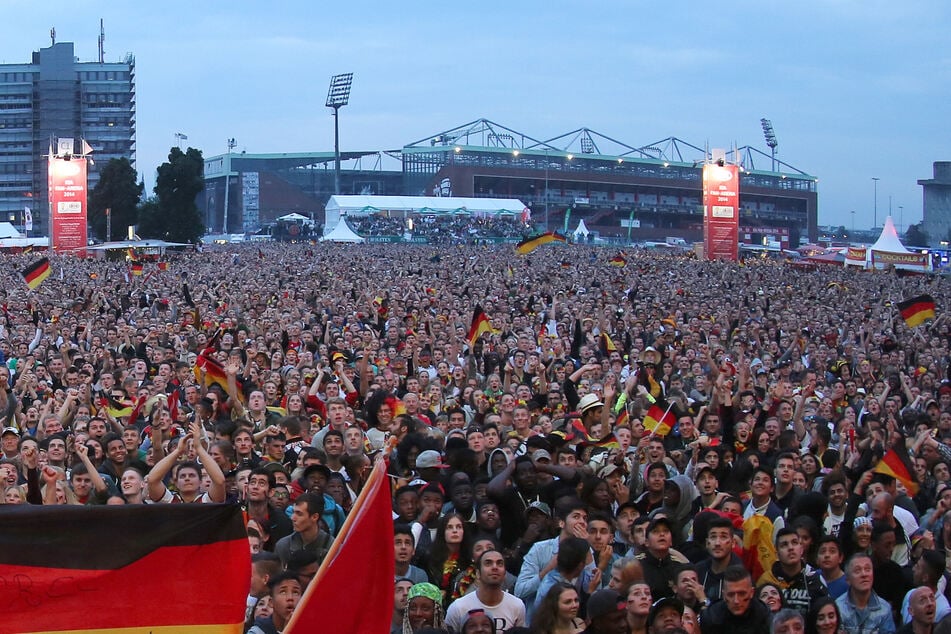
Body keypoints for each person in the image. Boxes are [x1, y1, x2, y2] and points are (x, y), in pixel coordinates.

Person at [445, 549, 526, 632]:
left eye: (499, 563)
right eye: (488, 563)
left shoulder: (517, 606)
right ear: (478, 573)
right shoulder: (458, 608)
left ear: (505, 573)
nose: (495, 567)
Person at [757, 528, 827, 615]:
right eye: (784, 545)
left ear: (801, 549)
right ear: (777, 554)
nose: (790, 548)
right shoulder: (766, 580)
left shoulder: (815, 578)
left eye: (794, 542)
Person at [699, 565, 772, 634]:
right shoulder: (711, 618)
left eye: (742, 594)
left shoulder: (764, 616)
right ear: (724, 595)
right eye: (731, 595)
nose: (736, 601)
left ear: (751, 593)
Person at [835, 553, 896, 634]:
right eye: (857, 571)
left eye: (867, 569)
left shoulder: (884, 608)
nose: (864, 574)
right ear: (848, 580)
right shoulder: (838, 607)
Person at [273, 492, 332, 568]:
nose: (292, 518)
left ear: (314, 517)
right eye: (293, 512)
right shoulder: (283, 546)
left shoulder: (332, 547)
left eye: (299, 514)